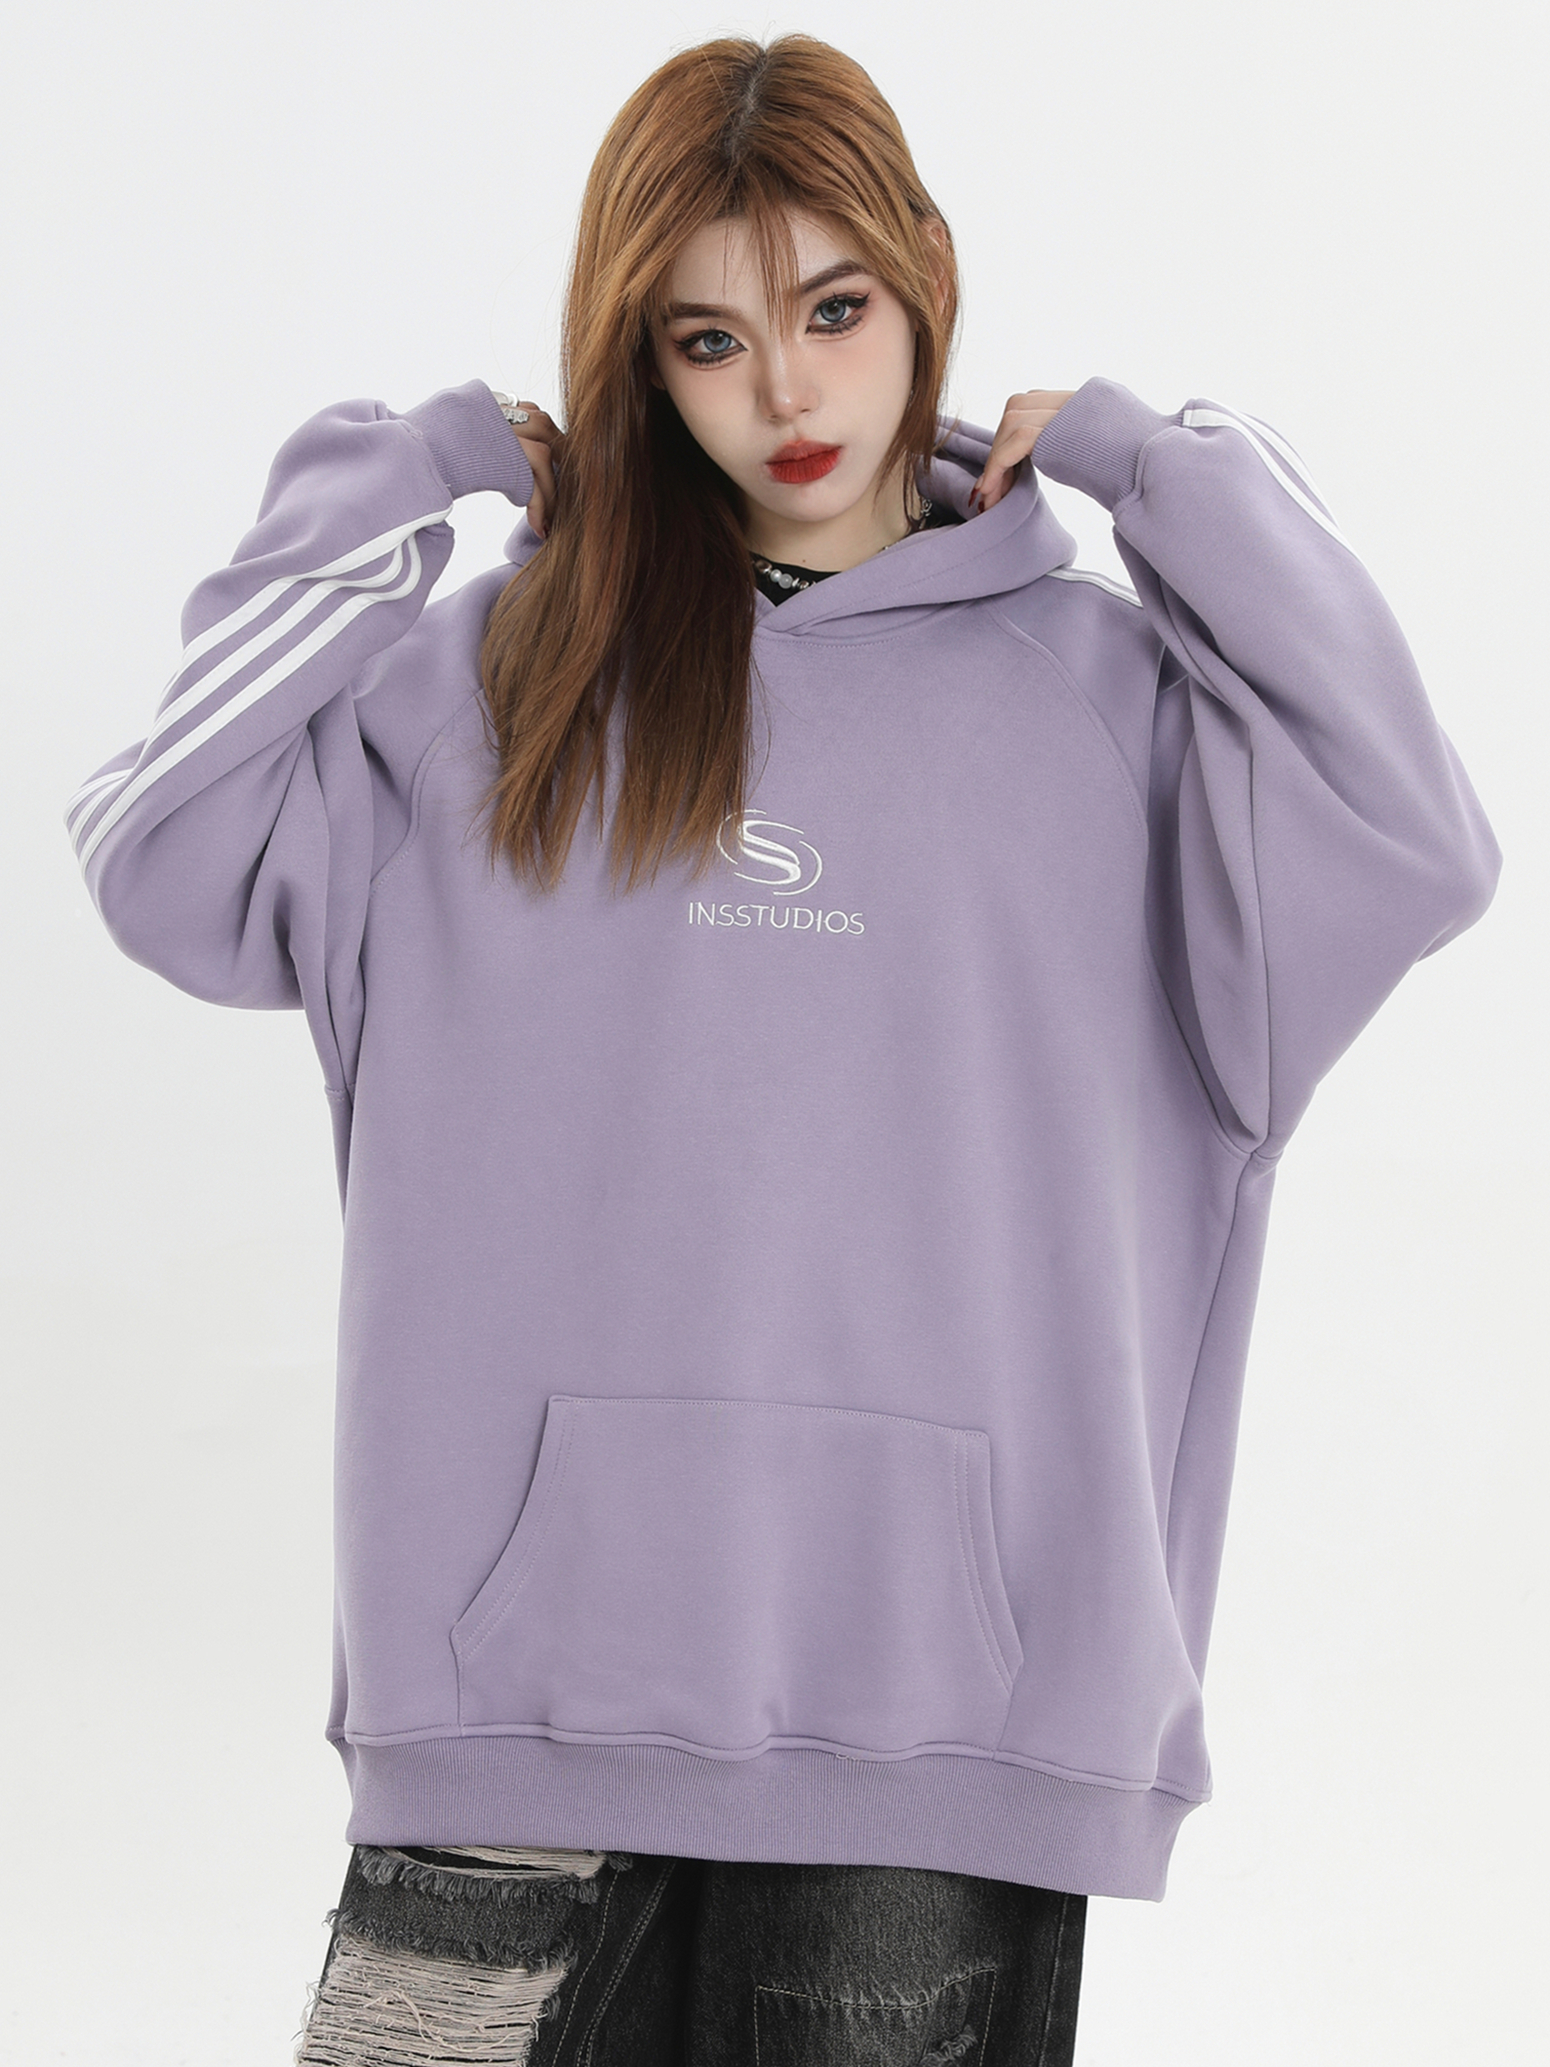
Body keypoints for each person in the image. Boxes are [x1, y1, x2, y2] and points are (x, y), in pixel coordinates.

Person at [63, 30, 1502, 2067]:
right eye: (706, 340)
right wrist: (403, 468)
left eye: (834, 311)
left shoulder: (1114, 710)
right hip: (508, 1736)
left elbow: (1417, 834)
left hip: (934, 1751)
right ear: (637, 362)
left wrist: (1163, 470)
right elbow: (157, 847)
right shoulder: (497, 683)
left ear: (925, 279)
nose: (787, 394)